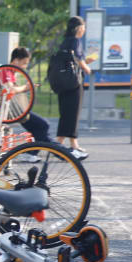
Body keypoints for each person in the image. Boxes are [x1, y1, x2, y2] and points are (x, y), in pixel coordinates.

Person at [0, 47, 51, 163]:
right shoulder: (6, 71)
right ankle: (31, 153)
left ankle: (31, 152)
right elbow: (10, 89)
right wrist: (26, 87)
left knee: (39, 128)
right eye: (24, 63)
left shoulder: (11, 72)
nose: (25, 67)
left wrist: (26, 88)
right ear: (16, 60)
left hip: (14, 109)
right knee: (43, 125)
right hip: (9, 110)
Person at [55, 16, 91, 160]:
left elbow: (72, 60)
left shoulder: (65, 41)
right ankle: (58, 145)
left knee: (67, 112)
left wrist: (85, 62)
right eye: (83, 27)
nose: (84, 30)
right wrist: (87, 68)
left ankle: (73, 144)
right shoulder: (75, 41)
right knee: (72, 113)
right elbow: (78, 60)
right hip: (74, 84)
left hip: (64, 83)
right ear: (79, 28)